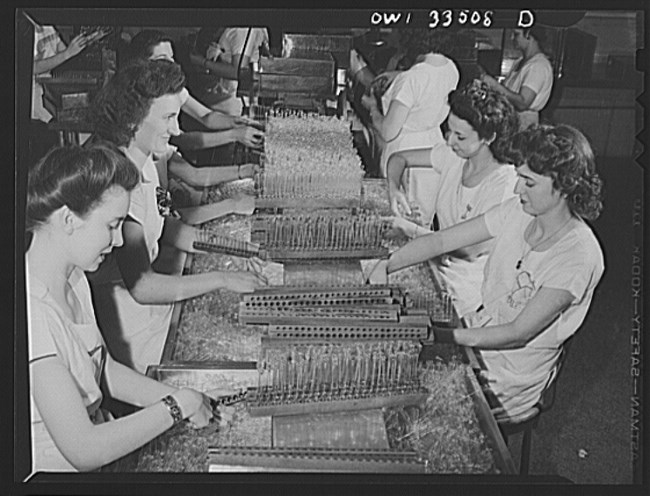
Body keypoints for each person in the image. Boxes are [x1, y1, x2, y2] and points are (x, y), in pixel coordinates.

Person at [370, 124, 604, 418]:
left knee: (401, 399)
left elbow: (517, 333)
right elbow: (442, 240)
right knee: (388, 373)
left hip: (511, 372)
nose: (518, 189)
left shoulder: (578, 255)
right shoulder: (517, 212)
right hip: (478, 330)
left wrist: (441, 335)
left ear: (565, 187)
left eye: (529, 183)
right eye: (519, 178)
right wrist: (384, 267)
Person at [26, 144, 219, 472]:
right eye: (111, 225)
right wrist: (175, 406)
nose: (117, 241)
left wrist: (180, 395)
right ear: (68, 220)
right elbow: (84, 450)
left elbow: (104, 370)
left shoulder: (73, 279)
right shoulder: (32, 315)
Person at [89, 59, 266, 373]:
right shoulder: (118, 183)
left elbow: (167, 227)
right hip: (133, 332)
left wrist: (240, 250)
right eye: (169, 118)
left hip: (157, 308)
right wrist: (222, 278)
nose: (177, 129)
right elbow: (142, 286)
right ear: (133, 120)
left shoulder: (146, 161)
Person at [386, 80, 520, 317]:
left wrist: (411, 230)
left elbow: (469, 249)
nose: (449, 141)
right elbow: (398, 159)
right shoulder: (453, 156)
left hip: (470, 293)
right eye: (449, 131)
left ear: (488, 137)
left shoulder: (505, 184)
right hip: (436, 268)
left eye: (460, 136)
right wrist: (395, 189)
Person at [360, 29, 460, 226]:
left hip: (406, 153)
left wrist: (372, 108)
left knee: (403, 218)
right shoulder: (451, 67)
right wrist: (397, 75)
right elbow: (429, 78)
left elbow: (389, 131)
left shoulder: (412, 79)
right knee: (423, 218)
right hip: (432, 146)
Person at [122, 29, 264, 153]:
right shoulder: (138, 98)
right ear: (142, 63)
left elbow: (206, 116)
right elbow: (182, 140)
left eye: (171, 58)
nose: (171, 64)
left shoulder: (173, 89)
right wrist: (235, 135)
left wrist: (236, 122)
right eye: (162, 59)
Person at [29, 21, 96, 165]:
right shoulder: (26, 26)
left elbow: (64, 52)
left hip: (50, 92)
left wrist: (88, 41)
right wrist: (67, 54)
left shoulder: (47, 25)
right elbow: (31, 67)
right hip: (33, 104)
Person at [481, 26, 554, 131]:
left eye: (516, 34)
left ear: (528, 35)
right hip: (511, 121)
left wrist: (495, 85)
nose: (512, 38)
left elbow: (523, 103)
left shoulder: (538, 66)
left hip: (524, 125)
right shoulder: (519, 62)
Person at [190, 27, 270, 116]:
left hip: (232, 100)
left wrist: (202, 62)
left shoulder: (241, 30)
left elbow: (238, 71)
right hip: (224, 96)